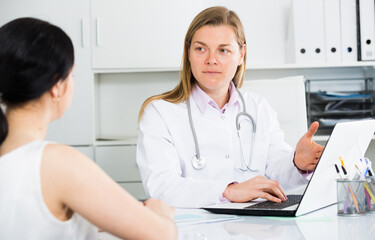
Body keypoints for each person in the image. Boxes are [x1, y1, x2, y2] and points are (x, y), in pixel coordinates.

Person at [0, 17, 177, 240]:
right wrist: (160, 213)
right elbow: (161, 235)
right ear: (57, 86)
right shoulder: (55, 162)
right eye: (71, 75)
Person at [137, 6, 324, 208]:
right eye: (201, 48)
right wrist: (228, 191)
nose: (211, 60)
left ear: (241, 54)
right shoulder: (160, 113)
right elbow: (161, 188)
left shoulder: (258, 107)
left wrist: (297, 163)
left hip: (256, 227)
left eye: (223, 50)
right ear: (188, 53)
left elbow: (276, 170)